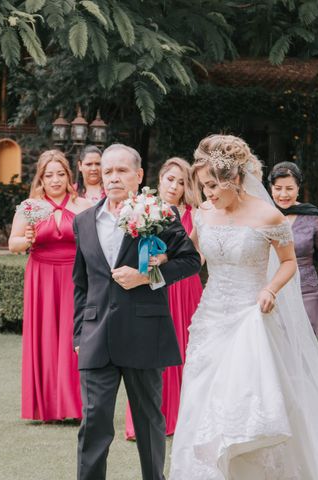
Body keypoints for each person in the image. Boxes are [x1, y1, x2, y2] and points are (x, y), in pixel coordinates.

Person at [169, 134, 318, 479]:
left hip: (251, 316)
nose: (207, 193)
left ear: (235, 179)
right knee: (202, 393)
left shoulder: (269, 217)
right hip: (209, 319)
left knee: (247, 395)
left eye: (213, 185)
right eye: (204, 186)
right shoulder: (204, 213)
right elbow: (191, 254)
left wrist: (270, 288)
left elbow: (287, 264)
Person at [72, 144, 201, 480]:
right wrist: (78, 334)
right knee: (94, 422)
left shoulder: (160, 214)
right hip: (96, 336)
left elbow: (189, 261)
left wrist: (147, 276)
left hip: (145, 334)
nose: (113, 177)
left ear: (139, 175)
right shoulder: (84, 221)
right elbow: (81, 284)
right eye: (107, 171)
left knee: (148, 422)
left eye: (121, 171)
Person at [8, 150, 91, 421]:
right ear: (40, 179)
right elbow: (13, 244)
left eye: (60, 174)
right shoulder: (29, 206)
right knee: (44, 336)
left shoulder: (84, 206)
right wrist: (28, 239)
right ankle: (46, 407)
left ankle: (74, 406)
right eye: (48, 175)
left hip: (74, 277)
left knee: (73, 336)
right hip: (41, 276)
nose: (55, 180)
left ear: (69, 176)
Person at [125, 157, 203, 439]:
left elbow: (197, 257)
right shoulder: (146, 210)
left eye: (182, 182)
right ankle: (148, 417)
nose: (175, 186)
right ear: (159, 180)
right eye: (170, 179)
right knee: (150, 348)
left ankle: (184, 417)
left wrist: (168, 256)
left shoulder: (196, 215)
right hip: (154, 285)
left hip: (185, 285)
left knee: (184, 350)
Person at [269, 161, 318, 345]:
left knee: (306, 343)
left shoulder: (310, 215)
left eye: (289, 188)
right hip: (272, 288)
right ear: (271, 188)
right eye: (278, 188)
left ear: (298, 189)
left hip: (306, 288)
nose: (283, 194)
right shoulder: (263, 214)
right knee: (279, 345)